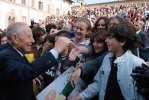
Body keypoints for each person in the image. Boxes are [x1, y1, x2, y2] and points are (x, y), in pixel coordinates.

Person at [72, 22, 146, 100]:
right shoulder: (107, 58)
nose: (106, 41)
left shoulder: (137, 64)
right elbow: (99, 83)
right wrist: (81, 96)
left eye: (110, 38)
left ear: (122, 41)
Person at [0, 22, 72, 100]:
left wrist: (31, 76)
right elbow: (25, 71)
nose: (33, 40)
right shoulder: (5, 55)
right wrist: (56, 50)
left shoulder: (15, 51)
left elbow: (23, 71)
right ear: (14, 38)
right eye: (29, 37)